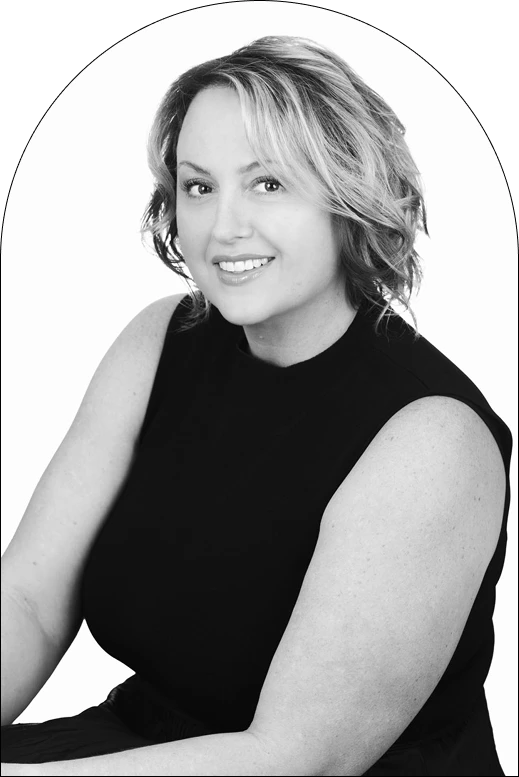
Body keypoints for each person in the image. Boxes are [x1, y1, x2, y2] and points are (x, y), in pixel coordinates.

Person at [1, 34, 511, 776]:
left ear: (348, 197)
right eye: (198, 186)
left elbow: (296, 758)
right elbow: (28, 601)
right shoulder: (160, 340)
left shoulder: (432, 437)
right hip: (144, 748)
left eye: (268, 183)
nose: (223, 227)